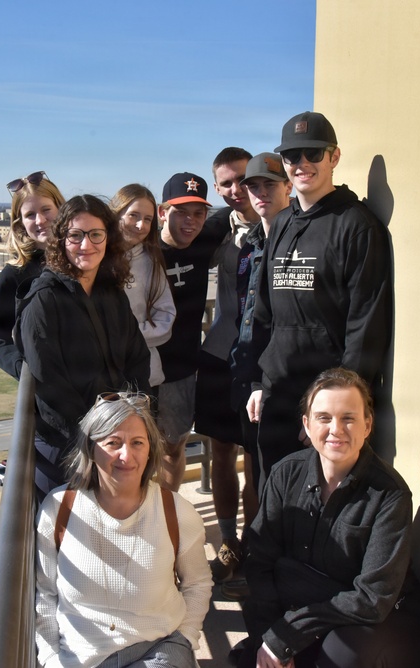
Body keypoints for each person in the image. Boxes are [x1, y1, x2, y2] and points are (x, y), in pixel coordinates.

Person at [239, 368, 420, 668]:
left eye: (349, 418)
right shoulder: (284, 474)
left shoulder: (389, 495)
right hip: (312, 610)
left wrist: (289, 634)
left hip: (382, 620)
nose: (336, 429)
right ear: (306, 423)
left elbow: (372, 598)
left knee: (340, 654)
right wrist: (270, 637)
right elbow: (259, 561)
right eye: (324, 417)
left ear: (367, 425)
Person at [248, 111, 394, 489]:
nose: (303, 164)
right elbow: (264, 312)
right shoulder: (280, 223)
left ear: (335, 157)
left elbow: (365, 326)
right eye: (293, 156)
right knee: (271, 491)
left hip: (326, 404)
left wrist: (334, 413)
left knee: (319, 500)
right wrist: (257, 383)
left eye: (313, 153)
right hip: (278, 393)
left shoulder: (357, 226)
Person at [35, 391, 212, 668]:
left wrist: (187, 636)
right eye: (113, 442)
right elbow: (44, 594)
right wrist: (49, 659)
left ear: (151, 449)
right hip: (82, 658)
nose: (126, 455)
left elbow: (198, 584)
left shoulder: (177, 512)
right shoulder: (59, 510)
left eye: (137, 442)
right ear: (91, 448)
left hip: (157, 650)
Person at [15, 195, 151, 499]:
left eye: (95, 235)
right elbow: (48, 385)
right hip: (68, 450)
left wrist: (134, 422)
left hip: (117, 443)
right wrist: (95, 439)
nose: (86, 245)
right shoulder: (44, 300)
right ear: (61, 241)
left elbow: (138, 360)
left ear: (109, 239)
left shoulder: (111, 294)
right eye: (75, 235)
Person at [219, 152, 293, 600]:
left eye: (267, 184)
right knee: (258, 467)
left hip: (277, 378)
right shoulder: (250, 238)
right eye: (252, 187)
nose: (257, 193)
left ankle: (265, 566)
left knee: (270, 476)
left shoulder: (291, 238)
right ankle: (252, 557)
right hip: (248, 375)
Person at [196, 147, 262, 584]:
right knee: (220, 451)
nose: (236, 190)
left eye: (243, 179)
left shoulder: (285, 223)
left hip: (262, 359)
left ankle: (255, 546)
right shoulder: (214, 228)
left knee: (257, 457)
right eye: (226, 183)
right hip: (220, 353)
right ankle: (227, 541)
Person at [154, 172, 228, 491]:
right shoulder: (139, 250)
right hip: (136, 371)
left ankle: (167, 516)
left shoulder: (205, 240)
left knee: (173, 449)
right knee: (134, 454)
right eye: (181, 211)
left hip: (181, 370)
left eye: (199, 213)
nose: (191, 221)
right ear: (161, 212)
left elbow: (238, 210)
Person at [0, 170, 65, 378]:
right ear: (20, 223)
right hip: (49, 395)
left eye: (46, 210)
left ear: (62, 210)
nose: (40, 220)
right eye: (30, 215)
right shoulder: (16, 273)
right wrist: (23, 370)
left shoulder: (83, 259)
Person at [110, 184, 176, 390]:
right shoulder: (93, 257)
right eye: (133, 216)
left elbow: (166, 318)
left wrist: (125, 339)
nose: (140, 225)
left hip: (142, 377)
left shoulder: (150, 262)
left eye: (148, 219)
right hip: (99, 379)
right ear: (115, 214)